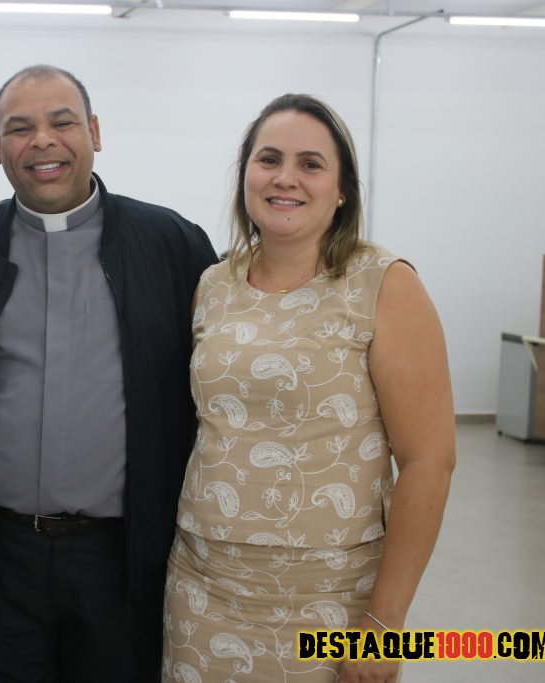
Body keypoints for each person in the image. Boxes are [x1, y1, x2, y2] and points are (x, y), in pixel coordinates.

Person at [0, 65, 218, 682]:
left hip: (125, 557)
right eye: (20, 128)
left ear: (95, 132)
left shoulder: (171, 243)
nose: (43, 140)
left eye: (62, 122)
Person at [163, 94, 455, 683]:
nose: (286, 178)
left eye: (311, 164)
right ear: (246, 175)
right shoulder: (212, 285)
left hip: (331, 597)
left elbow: (429, 461)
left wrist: (384, 623)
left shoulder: (384, 284)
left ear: (342, 189)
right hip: (202, 589)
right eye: (269, 159)